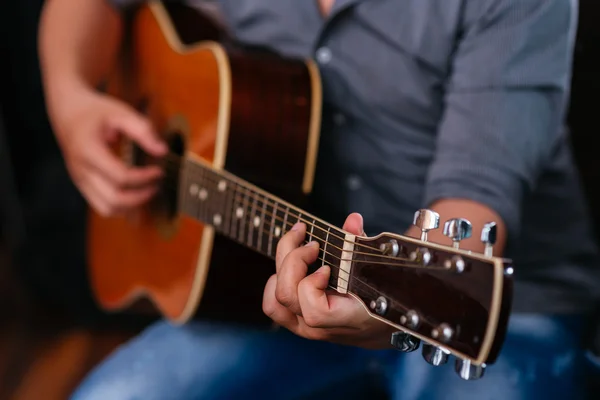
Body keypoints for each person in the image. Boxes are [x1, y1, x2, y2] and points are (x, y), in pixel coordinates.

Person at [38, 0, 599, 398]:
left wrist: (395, 301)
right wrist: (71, 102)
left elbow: (473, 202)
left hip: (489, 311)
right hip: (274, 293)